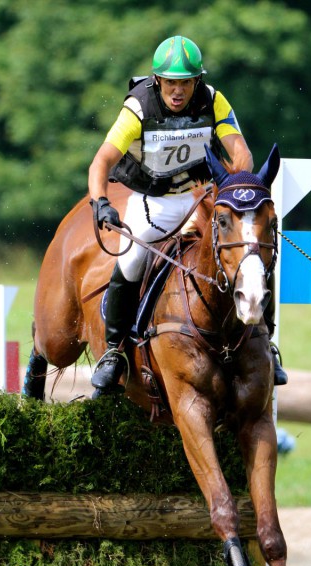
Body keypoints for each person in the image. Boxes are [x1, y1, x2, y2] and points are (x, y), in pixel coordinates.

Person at [88, 35, 287, 394]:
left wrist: (230, 191)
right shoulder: (138, 107)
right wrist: (100, 201)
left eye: (185, 82)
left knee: (249, 250)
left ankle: (266, 341)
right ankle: (115, 351)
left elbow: (241, 155)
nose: (177, 91)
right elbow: (102, 161)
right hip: (154, 203)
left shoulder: (213, 100)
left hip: (201, 198)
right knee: (132, 261)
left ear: (197, 81)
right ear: (157, 81)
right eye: (170, 83)